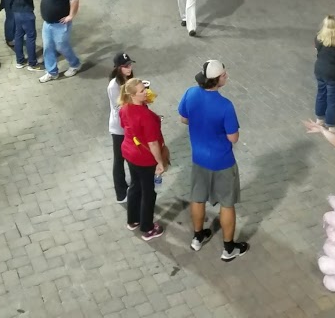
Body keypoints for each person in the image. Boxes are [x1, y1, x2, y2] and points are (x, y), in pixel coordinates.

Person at [179, 60, 250, 261]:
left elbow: (184, 119)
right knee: (227, 204)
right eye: (224, 75)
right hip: (222, 162)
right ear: (216, 80)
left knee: (198, 197)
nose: (226, 77)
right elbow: (233, 138)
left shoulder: (190, 93)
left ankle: (197, 237)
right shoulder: (225, 106)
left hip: (198, 158)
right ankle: (228, 249)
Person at [118, 76, 168, 241]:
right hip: (144, 158)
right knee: (148, 192)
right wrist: (160, 162)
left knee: (134, 186)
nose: (146, 92)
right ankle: (147, 227)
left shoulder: (124, 108)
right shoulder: (145, 116)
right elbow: (153, 143)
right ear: (133, 95)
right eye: (142, 91)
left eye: (145, 88)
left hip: (129, 153)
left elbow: (124, 126)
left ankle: (132, 220)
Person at [38, 0, 82, 83]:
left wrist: (70, 15)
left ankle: (75, 64)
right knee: (48, 48)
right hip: (47, 24)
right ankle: (52, 72)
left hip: (60, 24)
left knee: (61, 46)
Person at [106, 53, 136, 202]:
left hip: (130, 126)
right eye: (126, 66)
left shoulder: (129, 79)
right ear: (118, 68)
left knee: (132, 156)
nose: (129, 68)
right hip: (119, 128)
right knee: (119, 160)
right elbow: (119, 109)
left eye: (130, 65)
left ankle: (133, 185)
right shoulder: (114, 86)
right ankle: (120, 193)